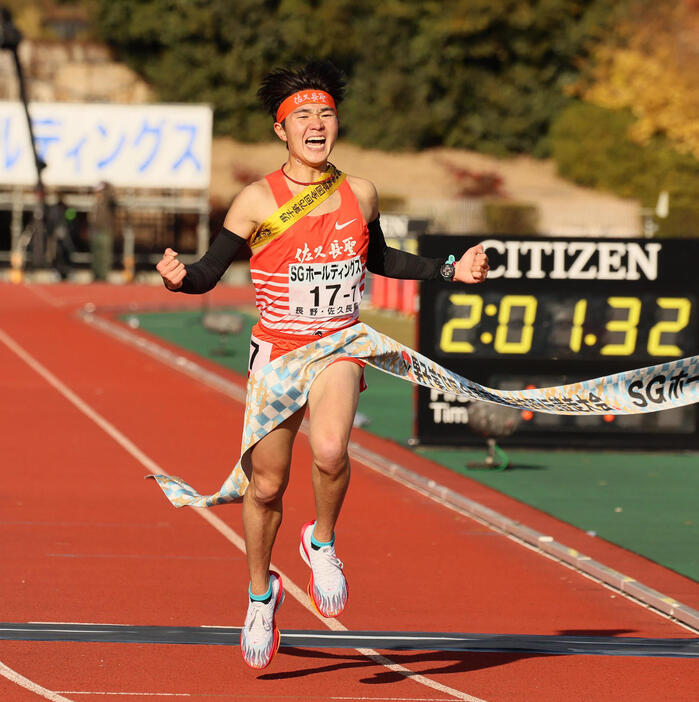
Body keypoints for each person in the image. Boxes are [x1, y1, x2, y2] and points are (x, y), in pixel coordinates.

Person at [156, 60, 489, 669]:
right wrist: (182, 281)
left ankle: (322, 543)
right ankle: (262, 594)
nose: (316, 123)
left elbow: (381, 257)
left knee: (332, 450)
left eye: (326, 113)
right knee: (267, 484)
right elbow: (207, 273)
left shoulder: (359, 193)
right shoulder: (256, 199)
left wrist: (449, 270)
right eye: (302, 115)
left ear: (337, 124)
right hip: (279, 353)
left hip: (338, 343)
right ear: (281, 130)